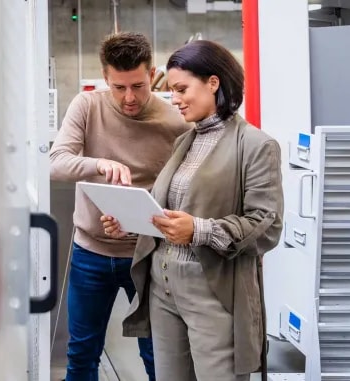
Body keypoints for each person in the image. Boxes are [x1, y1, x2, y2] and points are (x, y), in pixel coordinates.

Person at [103, 39, 284, 381]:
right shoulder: (184, 142)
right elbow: (170, 212)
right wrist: (130, 223)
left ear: (213, 82)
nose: (175, 99)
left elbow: (266, 226)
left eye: (182, 89)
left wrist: (199, 230)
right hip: (163, 287)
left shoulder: (257, 146)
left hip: (212, 291)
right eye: (172, 90)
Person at [49, 31, 189, 381]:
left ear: (152, 73)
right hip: (90, 253)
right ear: (105, 78)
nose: (129, 98)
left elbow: (187, 190)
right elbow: (57, 161)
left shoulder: (175, 120)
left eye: (138, 86)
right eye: (119, 87)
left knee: (159, 354)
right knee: (81, 352)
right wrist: (99, 165)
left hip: (149, 256)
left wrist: (141, 219)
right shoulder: (87, 106)